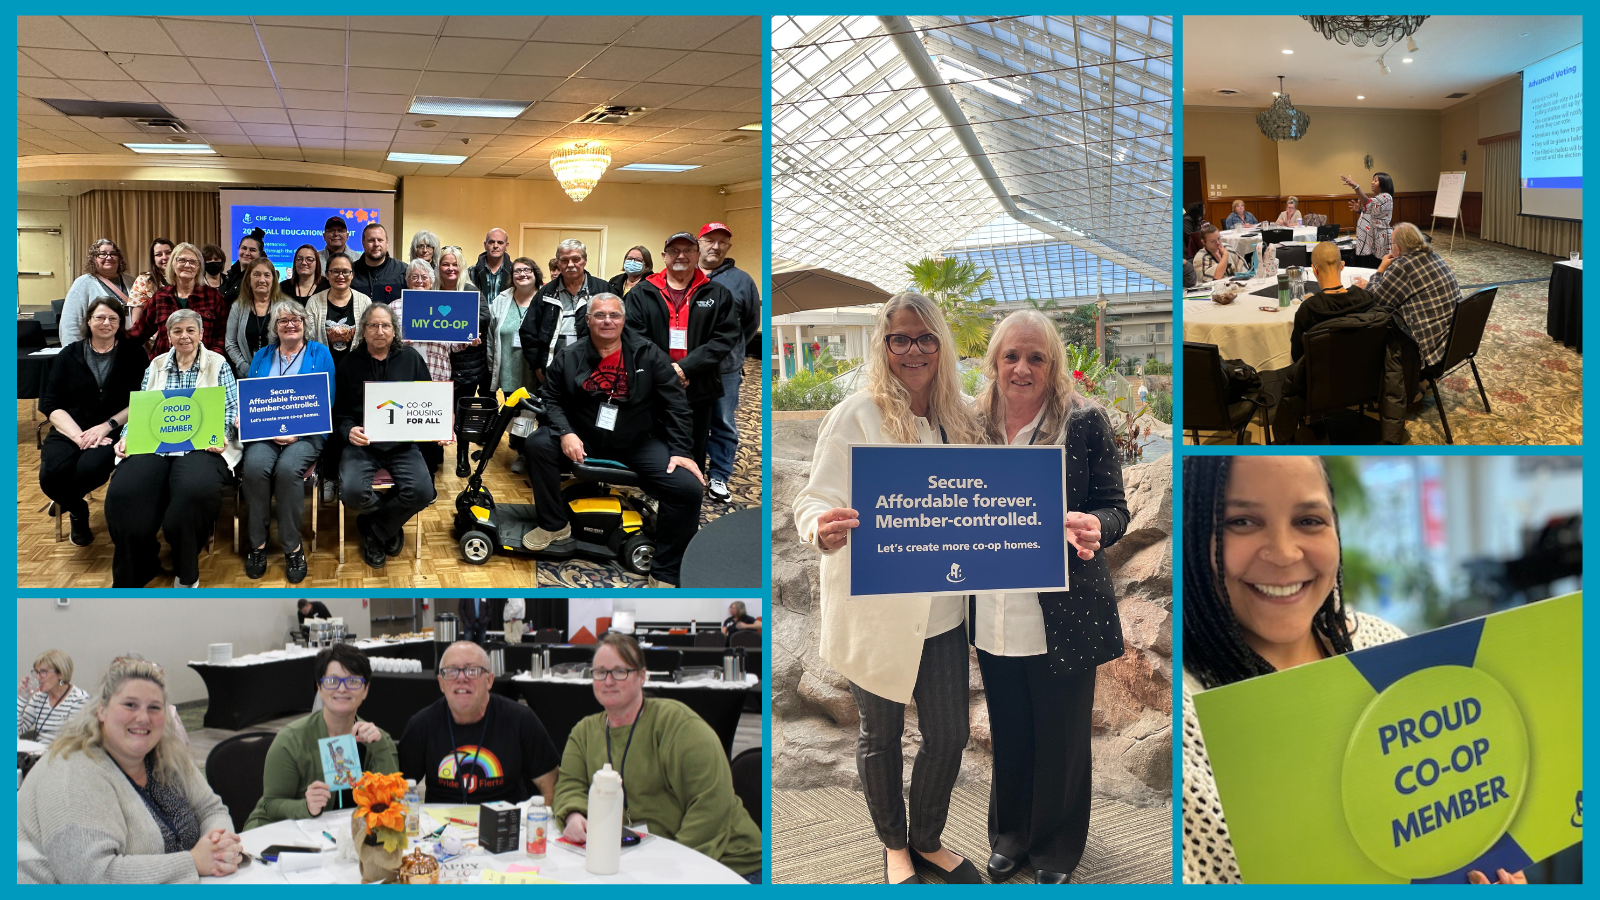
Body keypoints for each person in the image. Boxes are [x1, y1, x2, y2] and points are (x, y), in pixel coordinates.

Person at [1180, 455, 1527, 885]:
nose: (1284, 553)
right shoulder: (1184, 722)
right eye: (1242, 522)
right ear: (1194, 533)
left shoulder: (1382, 643)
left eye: (1309, 520)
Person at [792, 292, 984, 884]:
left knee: (949, 734)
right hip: (875, 607)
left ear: (941, 346)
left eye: (925, 338)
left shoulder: (961, 419)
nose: (913, 350)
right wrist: (820, 528)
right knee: (881, 734)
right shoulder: (855, 415)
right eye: (900, 338)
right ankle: (894, 845)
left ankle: (927, 838)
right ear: (884, 345)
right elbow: (813, 499)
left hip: (943, 609)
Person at [974, 310, 1127, 884]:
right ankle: (1009, 836)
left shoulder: (1084, 422)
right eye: (1011, 356)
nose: (1022, 367)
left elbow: (1115, 507)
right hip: (992, 606)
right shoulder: (969, 424)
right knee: (1010, 728)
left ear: (1054, 364)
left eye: (1036, 357)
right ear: (994, 361)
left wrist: (1096, 525)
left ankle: (1056, 849)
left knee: (1061, 734)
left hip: (1065, 608)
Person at [520, 294, 706, 589]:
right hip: (584, 436)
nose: (607, 321)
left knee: (687, 487)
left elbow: (677, 405)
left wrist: (682, 450)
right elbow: (551, 398)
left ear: (623, 319)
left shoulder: (648, 354)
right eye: (599, 315)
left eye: (614, 315)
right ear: (588, 320)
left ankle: (667, 570)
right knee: (537, 444)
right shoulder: (570, 355)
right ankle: (555, 525)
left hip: (638, 442)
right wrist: (566, 432)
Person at [554, 633, 763, 882]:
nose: (608, 681)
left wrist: (671, 870)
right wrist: (573, 815)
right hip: (641, 861)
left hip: (729, 864)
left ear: (642, 676)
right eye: (600, 672)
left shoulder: (678, 725)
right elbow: (569, 784)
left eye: (620, 671)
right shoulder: (584, 733)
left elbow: (712, 803)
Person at [17, 656, 242, 883]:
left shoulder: (167, 754)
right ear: (102, 710)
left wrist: (218, 848)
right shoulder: (70, 771)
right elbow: (90, 876)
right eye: (130, 705)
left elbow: (211, 809)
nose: (143, 718)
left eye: (154, 707)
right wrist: (192, 862)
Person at [106, 309, 240, 589]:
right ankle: (138, 569)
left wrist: (222, 434)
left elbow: (230, 409)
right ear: (168, 336)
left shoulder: (218, 364)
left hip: (202, 447)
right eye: (177, 331)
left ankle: (185, 569)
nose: (184, 336)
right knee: (124, 493)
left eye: (190, 330)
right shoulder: (155, 365)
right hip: (155, 446)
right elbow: (141, 409)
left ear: (201, 334)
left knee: (194, 491)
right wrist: (127, 436)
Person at [243, 644, 400, 830]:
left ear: (365, 689)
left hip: (343, 836)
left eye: (352, 681)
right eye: (332, 681)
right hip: (279, 833)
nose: (342, 689)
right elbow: (270, 805)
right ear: (319, 687)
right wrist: (306, 806)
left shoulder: (379, 740)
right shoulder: (291, 739)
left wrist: (379, 748)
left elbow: (391, 802)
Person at [623, 231, 741, 475]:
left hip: (699, 385)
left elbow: (724, 338)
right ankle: (655, 488)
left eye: (688, 250)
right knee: (653, 444)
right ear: (664, 256)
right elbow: (634, 336)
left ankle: (689, 489)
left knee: (694, 444)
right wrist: (668, 371)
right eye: (674, 251)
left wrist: (686, 368)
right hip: (653, 385)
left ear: (697, 255)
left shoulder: (717, 294)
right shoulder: (642, 292)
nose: (681, 255)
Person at [333, 304, 439, 569]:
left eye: (385, 326)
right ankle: (390, 523)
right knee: (352, 493)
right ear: (363, 331)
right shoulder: (348, 364)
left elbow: (429, 401)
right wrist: (349, 430)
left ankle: (376, 529)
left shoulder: (411, 359)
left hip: (402, 444)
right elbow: (339, 412)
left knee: (423, 492)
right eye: (373, 325)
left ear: (394, 331)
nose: (379, 331)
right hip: (363, 445)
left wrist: (438, 428)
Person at [240, 301, 337, 583]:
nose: (290, 324)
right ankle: (257, 545)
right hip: (265, 433)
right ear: (275, 327)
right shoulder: (262, 355)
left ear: (305, 324)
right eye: (283, 321)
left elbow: (327, 399)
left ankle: (293, 548)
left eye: (296, 319)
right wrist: (257, 422)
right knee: (254, 468)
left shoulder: (320, 353)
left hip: (307, 433)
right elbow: (252, 396)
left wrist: (298, 432)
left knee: (287, 469)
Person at [40, 297, 147, 546]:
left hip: (115, 428)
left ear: (120, 323)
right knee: (50, 475)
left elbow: (143, 400)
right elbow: (51, 404)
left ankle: (68, 502)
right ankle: (77, 508)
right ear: (88, 321)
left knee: (90, 468)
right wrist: (79, 436)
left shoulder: (133, 354)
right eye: (100, 317)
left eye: (112, 318)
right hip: (70, 427)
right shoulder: (68, 354)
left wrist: (106, 426)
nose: (106, 323)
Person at [398, 641, 560, 805]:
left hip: (506, 819)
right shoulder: (421, 725)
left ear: (489, 680)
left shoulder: (521, 720)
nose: (461, 678)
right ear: (441, 683)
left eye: (472, 671)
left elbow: (551, 786)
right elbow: (398, 790)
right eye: (452, 671)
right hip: (440, 820)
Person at [1269, 242, 1382, 444]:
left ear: (1314, 270)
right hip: (1365, 383)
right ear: (1342, 266)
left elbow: (1297, 356)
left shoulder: (1309, 309)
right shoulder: (1366, 299)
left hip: (1320, 390)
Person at [391, 259, 488, 476]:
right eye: (414, 277)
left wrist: (467, 340)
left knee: (431, 428)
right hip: (404, 376)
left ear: (432, 281)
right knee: (406, 424)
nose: (419, 281)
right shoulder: (395, 307)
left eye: (424, 277)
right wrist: (401, 339)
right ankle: (405, 472)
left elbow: (453, 345)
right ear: (407, 281)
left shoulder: (444, 302)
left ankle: (429, 475)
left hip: (437, 375)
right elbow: (386, 341)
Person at [697, 222, 760, 504]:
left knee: (723, 421)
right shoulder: (685, 274)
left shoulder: (742, 280)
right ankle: (688, 470)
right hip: (688, 365)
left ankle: (719, 475)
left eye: (722, 242)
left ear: (728, 247)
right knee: (686, 419)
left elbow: (750, 324)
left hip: (726, 368)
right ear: (699, 243)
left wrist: (730, 349)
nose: (715, 246)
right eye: (710, 240)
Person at [1353, 221, 1462, 368]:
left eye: (1391, 243)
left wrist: (1380, 270)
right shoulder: (1433, 255)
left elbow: (1374, 300)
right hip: (1452, 341)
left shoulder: (1403, 265)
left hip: (1426, 350)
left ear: (1397, 248)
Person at [519, 238, 610, 384]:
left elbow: (618, 328)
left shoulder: (603, 290)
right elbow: (528, 332)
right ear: (558, 263)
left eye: (576, 259)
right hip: (552, 369)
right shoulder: (545, 293)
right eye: (564, 260)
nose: (570, 264)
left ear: (585, 260)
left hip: (595, 368)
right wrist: (538, 368)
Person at [129, 242, 228, 359]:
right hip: (165, 365)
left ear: (199, 267)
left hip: (203, 364)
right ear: (172, 264)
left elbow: (220, 337)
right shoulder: (160, 296)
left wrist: (212, 361)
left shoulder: (213, 296)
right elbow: (140, 331)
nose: (187, 265)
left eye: (193, 262)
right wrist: (113, 338)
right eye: (182, 260)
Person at [490, 257, 543, 474]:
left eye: (527, 270)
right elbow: (491, 334)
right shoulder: (502, 299)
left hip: (536, 368)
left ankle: (532, 452)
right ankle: (522, 451)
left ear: (535, 274)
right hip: (509, 367)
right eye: (517, 271)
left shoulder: (545, 297)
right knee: (516, 410)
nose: (522, 274)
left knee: (535, 411)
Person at [61, 238, 136, 346]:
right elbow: (70, 323)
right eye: (103, 254)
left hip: (130, 345)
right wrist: (72, 351)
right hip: (97, 348)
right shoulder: (83, 283)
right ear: (94, 259)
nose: (109, 257)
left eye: (113, 254)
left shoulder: (132, 281)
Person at [305, 254, 370, 367]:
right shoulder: (314, 302)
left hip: (357, 367)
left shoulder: (365, 302)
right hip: (321, 366)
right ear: (327, 274)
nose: (341, 276)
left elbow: (369, 337)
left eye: (346, 271)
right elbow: (307, 338)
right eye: (335, 271)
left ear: (352, 275)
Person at [17, 649, 91, 746]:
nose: (38, 677)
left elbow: (72, 741)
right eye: (36, 672)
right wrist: (22, 698)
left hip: (62, 753)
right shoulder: (38, 697)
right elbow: (17, 730)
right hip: (38, 753)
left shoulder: (79, 699)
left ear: (60, 673)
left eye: (43, 672)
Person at [224, 256, 282, 377]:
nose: (262, 280)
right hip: (245, 375)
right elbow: (230, 343)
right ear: (249, 279)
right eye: (256, 275)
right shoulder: (238, 307)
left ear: (273, 280)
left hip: (277, 374)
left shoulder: (283, 307)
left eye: (267, 275)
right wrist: (246, 369)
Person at [1341, 171, 1394, 268]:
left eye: (1376, 181)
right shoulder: (1378, 198)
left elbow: (1368, 202)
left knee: (1376, 265)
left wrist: (1356, 187)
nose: (1372, 182)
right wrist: (1359, 210)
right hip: (1370, 238)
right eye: (1373, 180)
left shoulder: (1386, 197)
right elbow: (1371, 212)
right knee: (1368, 264)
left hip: (1378, 238)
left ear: (1384, 183)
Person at [350, 222, 407, 307]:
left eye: (380, 240)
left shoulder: (403, 270)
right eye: (371, 240)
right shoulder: (350, 271)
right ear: (363, 243)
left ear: (387, 242)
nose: (376, 244)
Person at [128, 237, 174, 317]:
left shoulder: (184, 277)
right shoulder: (144, 280)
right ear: (153, 259)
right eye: (159, 254)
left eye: (168, 253)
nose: (164, 257)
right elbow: (137, 317)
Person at [218, 229, 265, 304]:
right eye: (244, 248)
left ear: (260, 254)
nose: (247, 253)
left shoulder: (259, 280)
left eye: (252, 250)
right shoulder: (231, 275)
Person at [470, 228, 514, 305]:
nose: (495, 246)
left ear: (506, 246)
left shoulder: (514, 272)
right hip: (480, 313)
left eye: (500, 243)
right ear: (485, 245)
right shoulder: (471, 272)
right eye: (491, 242)